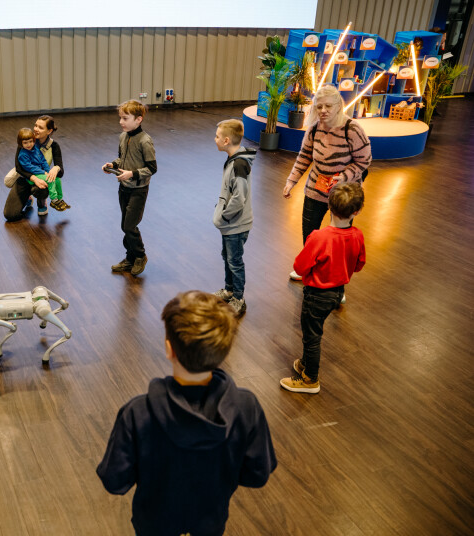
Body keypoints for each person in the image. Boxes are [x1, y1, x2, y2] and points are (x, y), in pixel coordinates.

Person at [97, 291, 276, 536]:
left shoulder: (137, 413)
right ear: (224, 351)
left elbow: (115, 480)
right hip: (211, 520)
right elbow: (256, 475)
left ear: (169, 349)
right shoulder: (247, 407)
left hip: (154, 523)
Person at [281, 183, 366, 394]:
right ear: (356, 211)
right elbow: (359, 264)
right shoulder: (358, 235)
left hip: (316, 296)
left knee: (312, 336)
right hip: (337, 292)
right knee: (314, 331)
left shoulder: (319, 237)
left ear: (329, 206)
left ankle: (310, 379)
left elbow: (299, 267)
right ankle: (305, 363)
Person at [283, 85, 370, 288]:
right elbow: (304, 156)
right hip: (315, 189)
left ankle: (337, 284)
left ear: (339, 106)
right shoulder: (314, 128)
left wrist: (343, 177)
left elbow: (364, 161)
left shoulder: (352, 129)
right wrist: (291, 181)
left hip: (343, 194)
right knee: (310, 234)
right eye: (319, 106)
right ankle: (308, 270)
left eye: (328, 106)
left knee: (340, 240)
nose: (323, 111)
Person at [102, 99, 157, 276]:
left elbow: (152, 168)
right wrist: (113, 164)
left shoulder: (145, 141)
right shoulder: (123, 136)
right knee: (125, 225)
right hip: (124, 187)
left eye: (125, 118)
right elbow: (122, 158)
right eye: (120, 118)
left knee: (129, 226)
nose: (121, 122)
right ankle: (130, 258)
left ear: (138, 119)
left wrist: (131, 174)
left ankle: (140, 256)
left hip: (138, 190)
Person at [212, 119, 256, 316]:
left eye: (217, 136)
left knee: (235, 262)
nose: (215, 139)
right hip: (230, 224)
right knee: (228, 257)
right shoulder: (233, 160)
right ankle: (229, 290)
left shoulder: (239, 164)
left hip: (236, 224)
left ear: (226, 140)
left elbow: (239, 198)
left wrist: (224, 215)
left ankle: (238, 298)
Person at [33, 115, 69, 211]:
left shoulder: (54, 145)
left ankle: (55, 200)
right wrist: (33, 178)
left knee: (54, 180)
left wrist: (56, 168)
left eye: (40, 127)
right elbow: (19, 167)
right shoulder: (27, 140)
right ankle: (27, 198)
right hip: (27, 175)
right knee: (11, 214)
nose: (36, 129)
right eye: (35, 125)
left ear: (49, 131)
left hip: (42, 175)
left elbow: (61, 173)